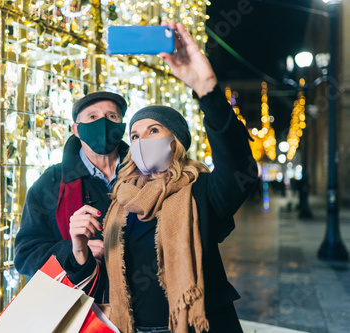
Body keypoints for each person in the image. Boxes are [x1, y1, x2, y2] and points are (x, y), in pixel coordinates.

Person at [64, 22, 258, 333]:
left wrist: (207, 90)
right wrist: (78, 249)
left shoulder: (202, 190)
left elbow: (239, 166)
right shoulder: (119, 200)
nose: (142, 140)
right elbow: (100, 279)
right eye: (135, 135)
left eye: (154, 130)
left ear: (175, 142)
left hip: (196, 326)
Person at [13, 89, 130, 302]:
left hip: (143, 306)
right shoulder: (50, 184)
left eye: (111, 116)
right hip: (84, 310)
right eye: (92, 117)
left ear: (121, 127)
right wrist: (74, 252)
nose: (102, 123)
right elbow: (26, 255)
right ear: (76, 130)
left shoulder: (145, 175)